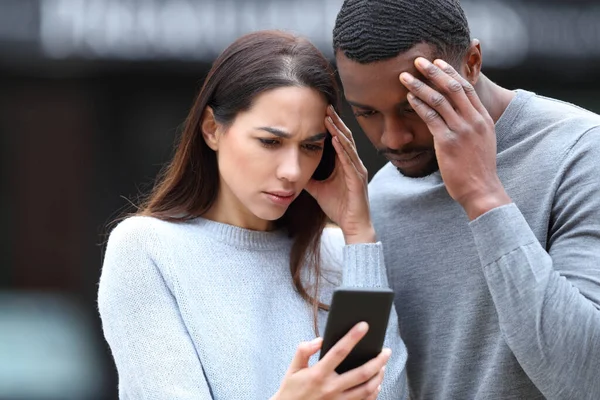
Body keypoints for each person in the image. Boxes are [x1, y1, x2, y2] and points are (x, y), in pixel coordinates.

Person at [97, 30, 409, 399]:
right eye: (270, 142)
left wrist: (359, 236)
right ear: (212, 129)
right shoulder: (147, 249)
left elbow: (385, 394)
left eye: (310, 146)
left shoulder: (343, 253)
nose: (292, 170)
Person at [332, 0, 600, 399]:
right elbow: (352, 386)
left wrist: (482, 195)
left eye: (412, 106)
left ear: (472, 62)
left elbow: (584, 378)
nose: (392, 139)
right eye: (366, 113)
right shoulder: (379, 198)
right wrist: (358, 240)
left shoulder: (581, 152)